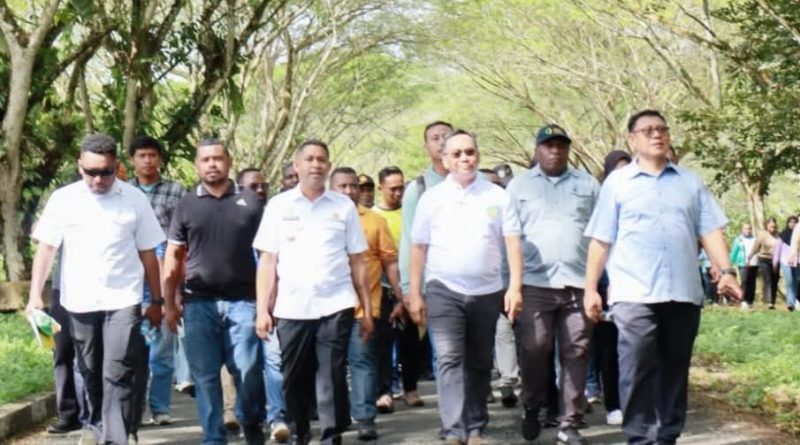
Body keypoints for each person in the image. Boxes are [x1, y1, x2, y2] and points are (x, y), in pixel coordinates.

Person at [584, 110, 742, 445]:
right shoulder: (617, 184)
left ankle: (668, 435)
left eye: (661, 129)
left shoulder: (690, 182)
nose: (656, 135)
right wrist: (590, 289)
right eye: (647, 130)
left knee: (674, 368)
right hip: (634, 293)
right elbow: (601, 239)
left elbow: (710, 229)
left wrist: (726, 270)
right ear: (632, 139)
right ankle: (640, 437)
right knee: (636, 364)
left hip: (682, 291)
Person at [27, 133, 165, 445]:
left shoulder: (134, 199)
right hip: (79, 301)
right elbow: (46, 249)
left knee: (117, 370)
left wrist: (157, 300)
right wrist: (35, 294)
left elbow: (148, 253)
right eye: (91, 172)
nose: (98, 180)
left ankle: (115, 438)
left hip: (123, 299)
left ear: (116, 166)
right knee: (89, 369)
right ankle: (99, 425)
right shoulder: (64, 200)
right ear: (80, 166)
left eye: (105, 172)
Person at [406, 130, 523, 445]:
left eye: (469, 152)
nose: (464, 159)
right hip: (443, 289)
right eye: (456, 154)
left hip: (487, 291)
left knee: (479, 361)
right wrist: (414, 293)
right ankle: (454, 429)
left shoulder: (497, 196)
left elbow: (512, 243)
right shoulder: (432, 198)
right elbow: (418, 248)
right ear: (445, 160)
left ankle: (475, 428)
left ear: (478, 155)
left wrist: (514, 287)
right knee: (448, 359)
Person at [253, 139, 373, 445]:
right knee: (294, 376)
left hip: (335, 303)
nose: (316, 165)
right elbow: (267, 261)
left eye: (321, 159)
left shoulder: (343, 206)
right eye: (309, 159)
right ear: (297, 166)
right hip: (291, 306)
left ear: (328, 166)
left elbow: (357, 260)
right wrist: (262, 310)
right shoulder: (279, 206)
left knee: (331, 374)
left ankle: (331, 436)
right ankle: (301, 432)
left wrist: (368, 309)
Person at [162, 138, 266, 445]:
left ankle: (250, 420)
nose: (212, 164)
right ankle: (213, 438)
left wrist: (266, 303)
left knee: (248, 370)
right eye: (205, 159)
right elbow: (173, 256)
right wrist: (169, 302)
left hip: (244, 302)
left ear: (229, 162)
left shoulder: (251, 202)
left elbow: (268, 254)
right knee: (205, 377)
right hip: (198, 303)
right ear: (197, 165)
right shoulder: (186, 204)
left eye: (218, 158)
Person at [505, 124, 599, 445]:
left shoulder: (588, 184)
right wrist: (511, 286)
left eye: (561, 146)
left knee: (576, 352)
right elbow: (509, 238)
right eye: (548, 146)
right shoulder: (518, 187)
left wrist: (600, 283)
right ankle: (532, 405)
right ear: (537, 150)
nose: (555, 151)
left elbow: (602, 234)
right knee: (534, 349)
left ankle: (568, 422)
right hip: (534, 283)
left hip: (579, 283)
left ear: (568, 150)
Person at [329, 166, 404, 440]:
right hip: (327, 308)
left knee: (362, 361)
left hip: (363, 307)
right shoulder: (319, 218)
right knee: (331, 367)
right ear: (331, 188)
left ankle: (364, 418)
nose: (349, 191)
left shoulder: (374, 221)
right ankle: (336, 418)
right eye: (343, 186)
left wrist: (401, 297)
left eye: (353, 186)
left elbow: (390, 262)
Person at [128, 135, 187, 427]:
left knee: (162, 348)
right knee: (132, 347)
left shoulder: (177, 191)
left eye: (152, 155)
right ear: (132, 160)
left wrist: (177, 290)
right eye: (142, 156)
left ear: (160, 159)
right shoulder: (123, 192)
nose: (148, 161)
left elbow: (185, 239)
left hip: (166, 274)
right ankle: (133, 408)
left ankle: (160, 407)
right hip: (131, 276)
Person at [398, 120, 454, 409]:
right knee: (445, 354)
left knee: (475, 355)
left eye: (447, 136)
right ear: (426, 146)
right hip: (436, 285)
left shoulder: (476, 184)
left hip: (478, 284)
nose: (441, 141)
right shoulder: (417, 189)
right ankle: (453, 418)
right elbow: (409, 241)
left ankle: (472, 413)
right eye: (435, 137)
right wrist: (410, 288)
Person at [372, 166, 411, 413]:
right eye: (392, 189)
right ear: (381, 188)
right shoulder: (374, 217)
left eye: (401, 188)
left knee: (411, 341)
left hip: (412, 283)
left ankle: (410, 387)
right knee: (383, 342)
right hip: (384, 287)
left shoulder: (410, 212)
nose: (398, 193)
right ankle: (384, 390)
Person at [46, 248, 89, 434]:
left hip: (93, 289)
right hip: (60, 290)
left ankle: (93, 413)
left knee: (89, 353)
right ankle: (68, 413)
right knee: (60, 350)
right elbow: (44, 244)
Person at [749, 217, 780, 309]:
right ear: (767, 226)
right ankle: (769, 301)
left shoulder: (779, 235)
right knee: (767, 280)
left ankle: (773, 301)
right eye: (771, 227)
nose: (773, 229)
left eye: (774, 227)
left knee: (775, 280)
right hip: (764, 259)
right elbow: (756, 246)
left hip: (775, 260)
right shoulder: (762, 235)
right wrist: (750, 255)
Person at [773, 216, 799, 311]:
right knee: (790, 281)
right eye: (790, 222)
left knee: (796, 281)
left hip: (797, 262)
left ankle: (795, 301)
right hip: (785, 261)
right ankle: (790, 303)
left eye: (794, 222)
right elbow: (778, 250)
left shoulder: (798, 235)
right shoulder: (783, 235)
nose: (792, 224)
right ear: (787, 223)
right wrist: (775, 261)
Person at [730, 223, 758, 308]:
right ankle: (743, 300)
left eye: (749, 229)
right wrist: (731, 262)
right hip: (742, 263)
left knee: (752, 282)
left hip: (754, 263)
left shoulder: (755, 239)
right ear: (742, 229)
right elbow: (734, 251)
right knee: (744, 281)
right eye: (746, 229)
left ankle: (751, 300)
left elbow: (758, 250)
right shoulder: (739, 239)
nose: (748, 231)